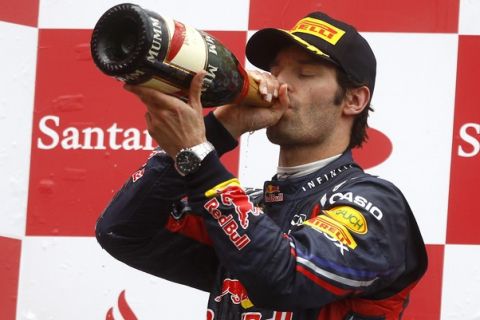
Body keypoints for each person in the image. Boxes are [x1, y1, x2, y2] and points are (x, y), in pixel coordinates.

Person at [95, 11, 428, 320]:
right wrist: (217, 131)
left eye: (305, 73)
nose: (281, 84)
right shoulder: (249, 208)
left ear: (354, 100)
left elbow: (284, 279)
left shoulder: (376, 204)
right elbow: (123, 231)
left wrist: (197, 155)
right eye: (276, 70)